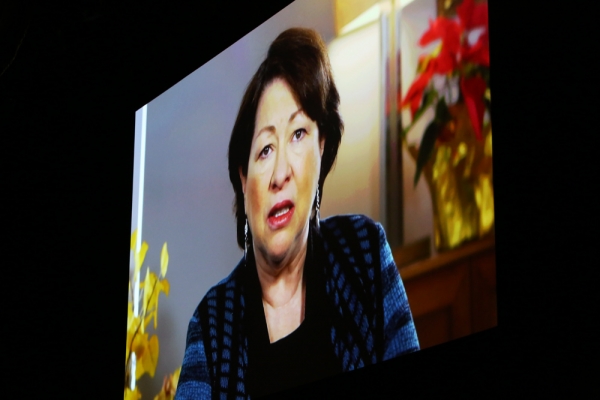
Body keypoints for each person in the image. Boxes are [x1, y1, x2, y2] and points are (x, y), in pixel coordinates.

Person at [175, 27, 419, 400]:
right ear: (243, 178)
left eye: (298, 135)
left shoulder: (364, 253)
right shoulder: (210, 323)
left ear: (322, 149)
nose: (281, 173)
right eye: (265, 150)